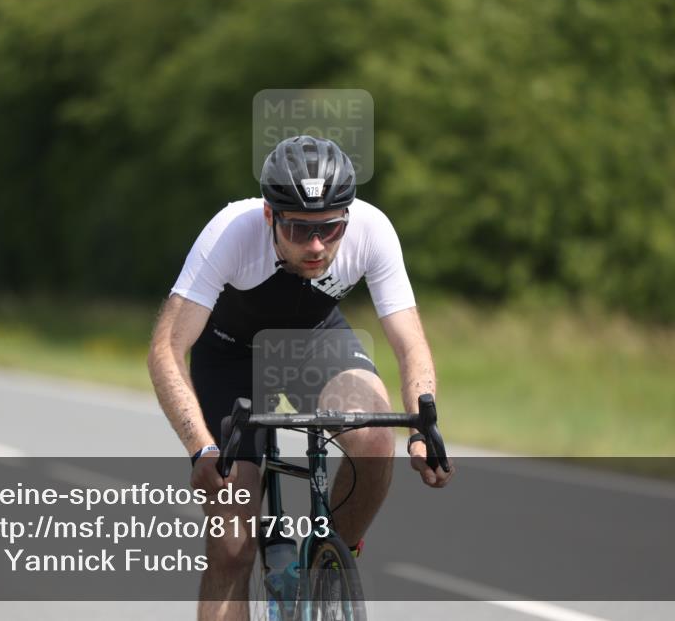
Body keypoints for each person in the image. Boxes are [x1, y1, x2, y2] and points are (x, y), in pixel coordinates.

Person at [148, 135, 453, 621]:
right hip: (228, 356)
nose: (316, 245)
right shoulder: (231, 231)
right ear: (270, 215)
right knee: (232, 545)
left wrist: (424, 427)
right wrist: (200, 447)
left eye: (330, 229)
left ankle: (328, 566)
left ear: (347, 218)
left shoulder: (374, 229)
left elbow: (409, 342)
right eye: (298, 228)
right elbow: (166, 348)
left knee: (375, 437)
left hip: (312, 342)